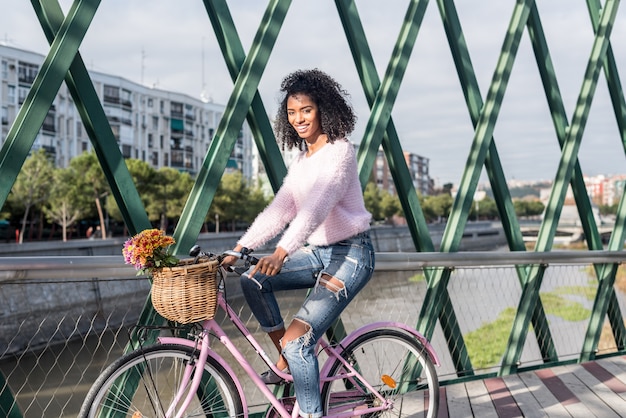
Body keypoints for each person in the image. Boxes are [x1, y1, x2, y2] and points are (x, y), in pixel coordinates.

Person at [221, 68, 375, 418]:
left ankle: (306, 399)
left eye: (305, 110)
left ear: (323, 109)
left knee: (300, 341)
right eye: (291, 113)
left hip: (351, 256)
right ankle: (289, 360)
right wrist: (239, 249)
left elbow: (316, 207)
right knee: (253, 279)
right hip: (319, 253)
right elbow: (280, 209)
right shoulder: (303, 160)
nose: (298, 119)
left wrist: (281, 251)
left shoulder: (340, 151)